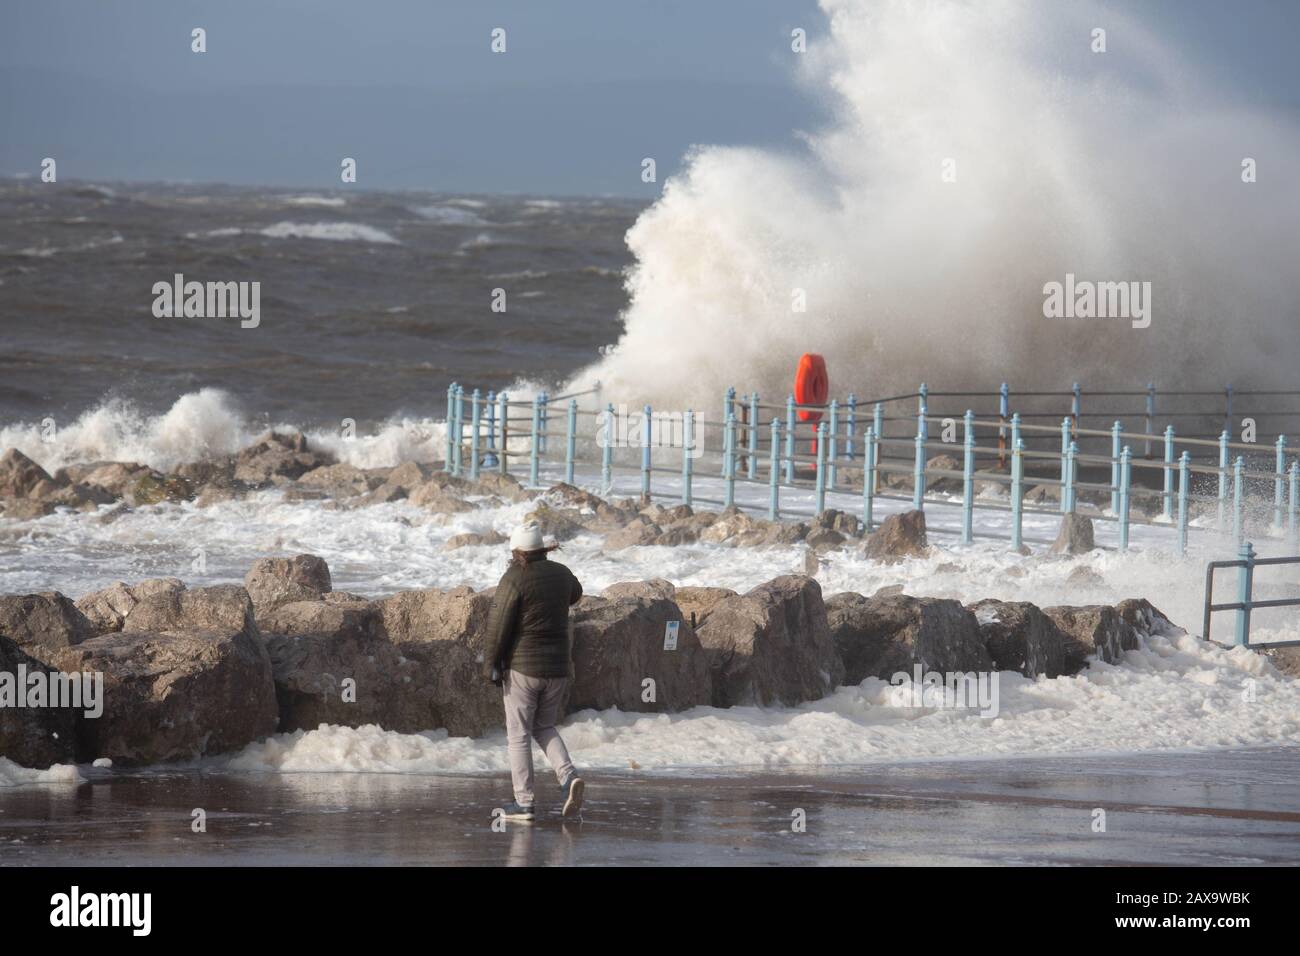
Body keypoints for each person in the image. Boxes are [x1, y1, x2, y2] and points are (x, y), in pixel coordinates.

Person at [484, 521, 585, 821]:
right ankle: (568, 778)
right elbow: (576, 594)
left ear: (517, 551)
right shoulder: (561, 573)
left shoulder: (514, 577)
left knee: (518, 735)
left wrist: (491, 664)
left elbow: (498, 625)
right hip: (557, 669)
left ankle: (524, 802)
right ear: (542, 549)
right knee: (544, 726)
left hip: (523, 670)